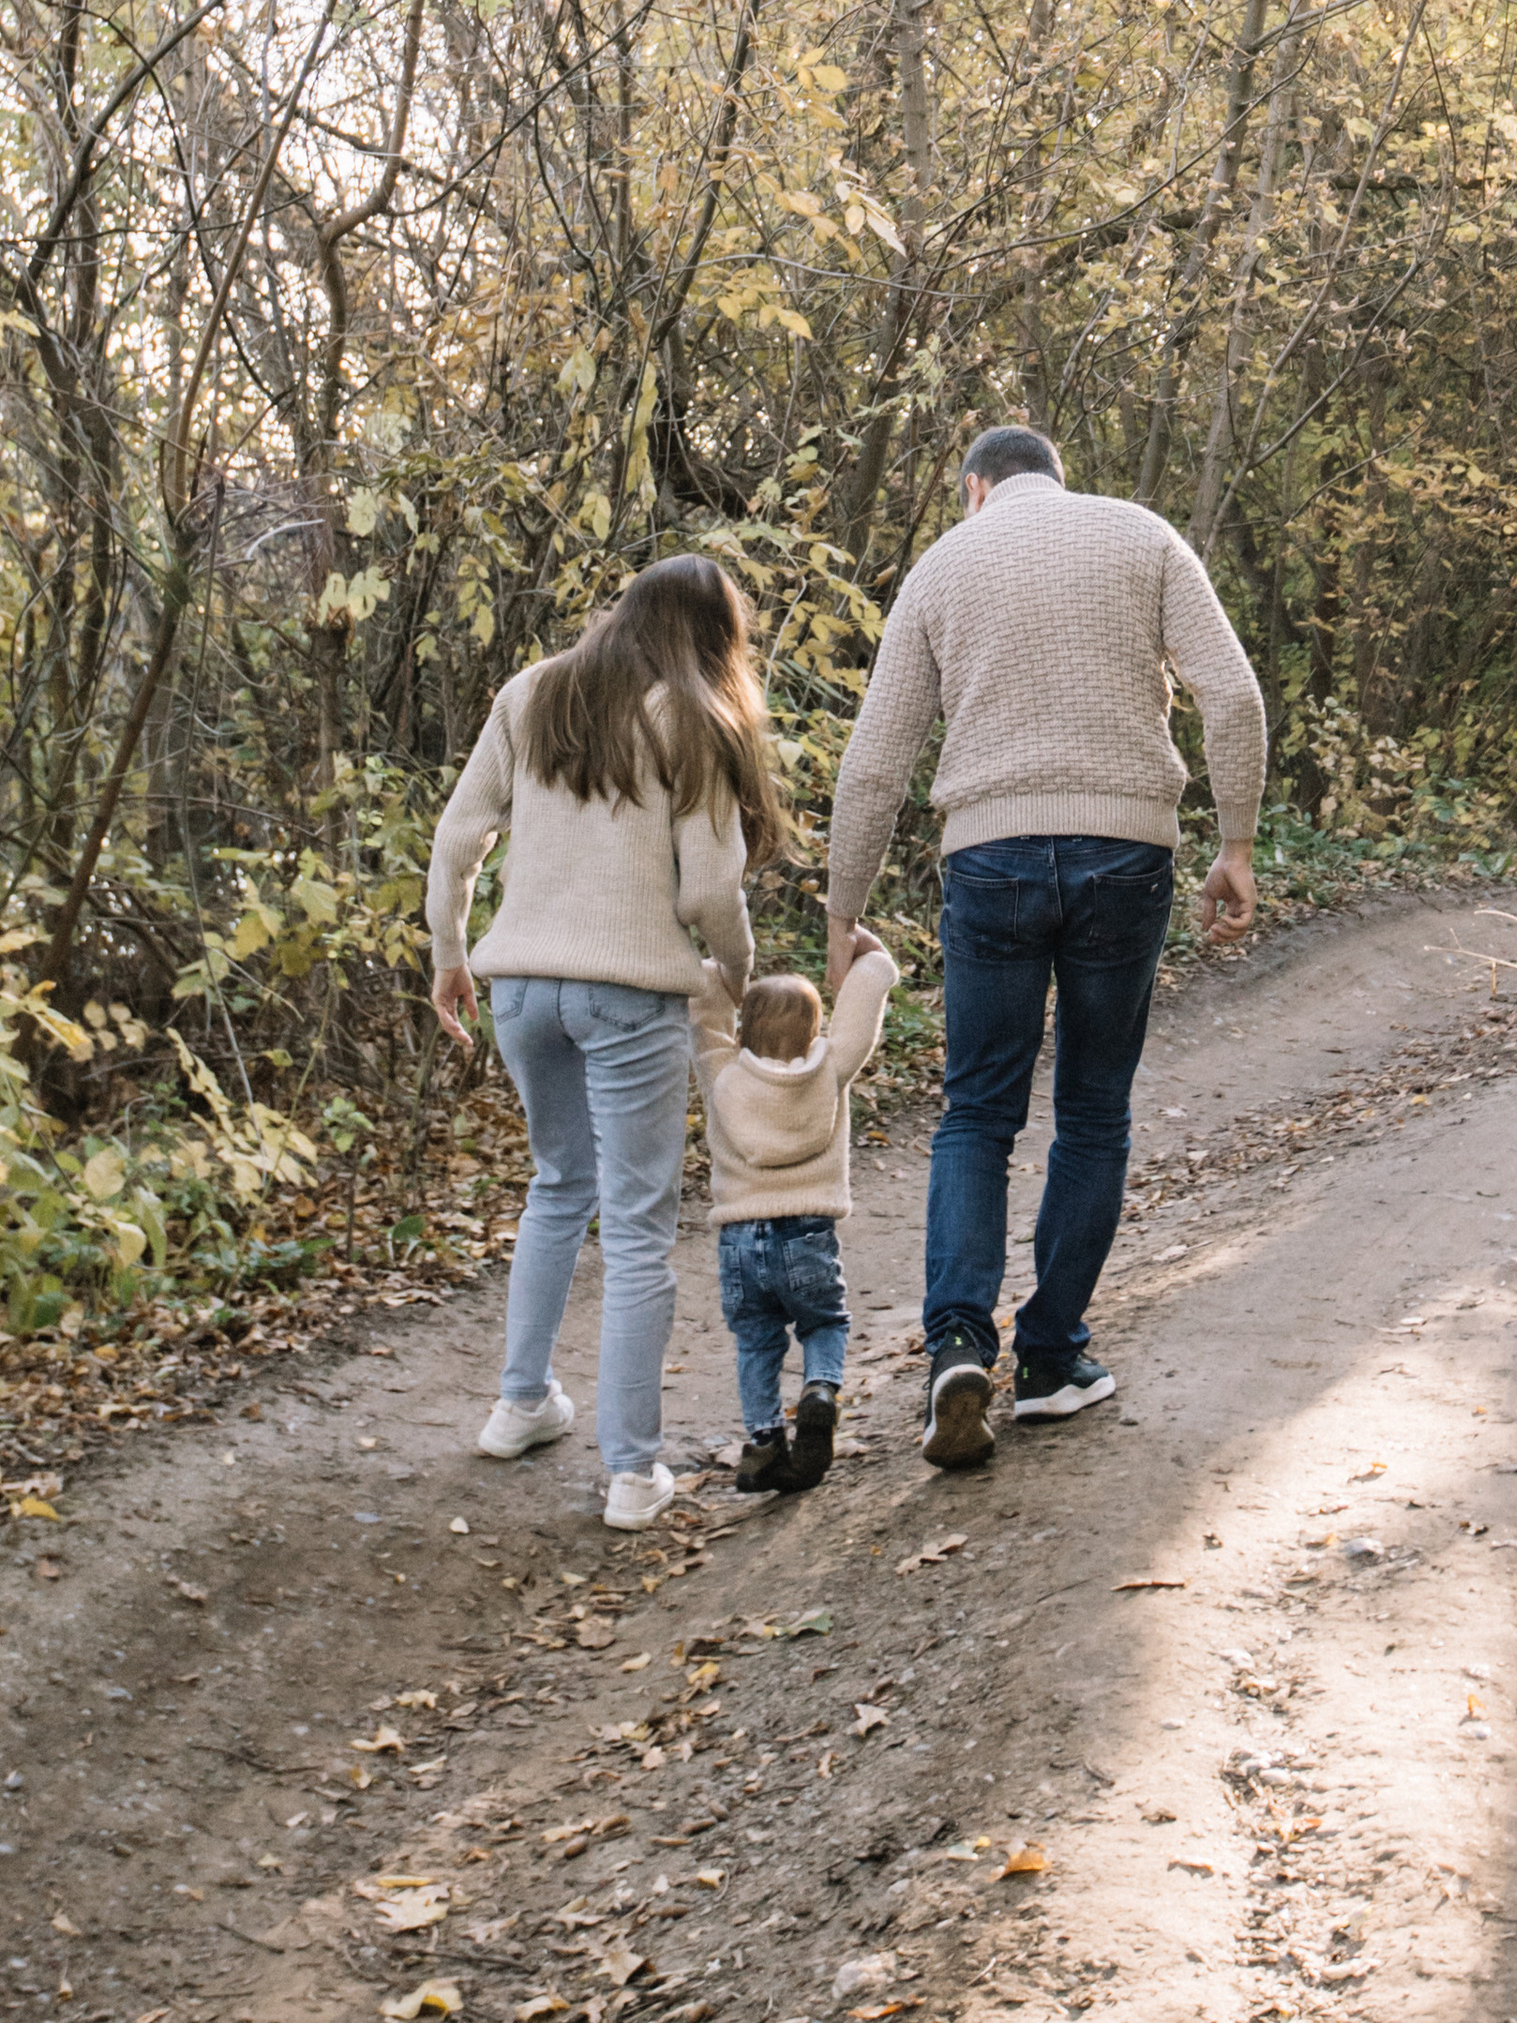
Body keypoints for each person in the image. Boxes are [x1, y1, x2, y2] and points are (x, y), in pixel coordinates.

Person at [828, 423, 1265, 1472]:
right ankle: (1054, 1358)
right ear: (1057, 481)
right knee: (1092, 1106)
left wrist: (843, 915)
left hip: (990, 861)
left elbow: (876, 762)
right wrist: (1237, 845)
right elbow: (1234, 694)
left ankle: (958, 1345)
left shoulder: (943, 563)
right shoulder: (1141, 536)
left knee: (976, 1110)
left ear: (977, 488)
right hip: (1127, 852)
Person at [428, 553, 785, 1532]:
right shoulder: (693, 715)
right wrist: (734, 973)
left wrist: (450, 954)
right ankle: (632, 1474)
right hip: (629, 994)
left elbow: (459, 839)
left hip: (521, 989)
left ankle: (518, 1405)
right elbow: (712, 889)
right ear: (713, 638)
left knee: (556, 1186)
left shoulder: (531, 693)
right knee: (633, 1228)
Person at [691, 949, 899, 1490]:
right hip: (807, 1230)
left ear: (742, 1033)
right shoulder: (828, 1068)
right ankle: (820, 1390)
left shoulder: (723, 1073)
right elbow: (860, 1016)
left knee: (756, 1341)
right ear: (814, 1033)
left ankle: (763, 1445)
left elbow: (705, 1020)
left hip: (739, 1236)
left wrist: (720, 972)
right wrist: (871, 958)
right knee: (824, 1322)